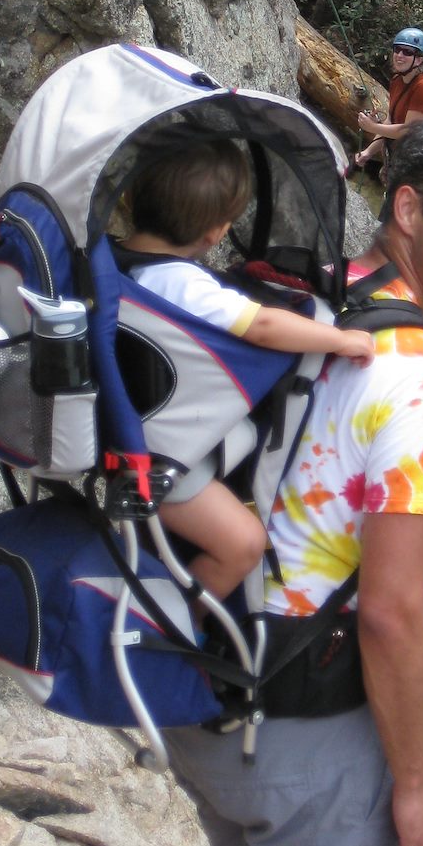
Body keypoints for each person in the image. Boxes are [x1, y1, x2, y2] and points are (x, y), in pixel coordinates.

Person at [165, 110, 423, 846]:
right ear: (407, 210)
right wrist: (416, 786)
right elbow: (391, 611)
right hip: (304, 738)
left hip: (198, 698)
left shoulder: (291, 300)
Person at [124, 142, 375, 602]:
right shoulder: (181, 283)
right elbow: (260, 325)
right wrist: (341, 340)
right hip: (147, 461)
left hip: (112, 426)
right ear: (218, 231)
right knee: (243, 543)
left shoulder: (112, 260)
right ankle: (182, 628)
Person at [353, 28, 423, 176]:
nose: (400, 55)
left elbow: (409, 130)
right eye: (397, 50)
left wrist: (373, 127)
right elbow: (391, 121)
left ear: (419, 59)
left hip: (419, 164)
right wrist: (368, 152)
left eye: (407, 52)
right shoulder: (397, 80)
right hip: (399, 157)